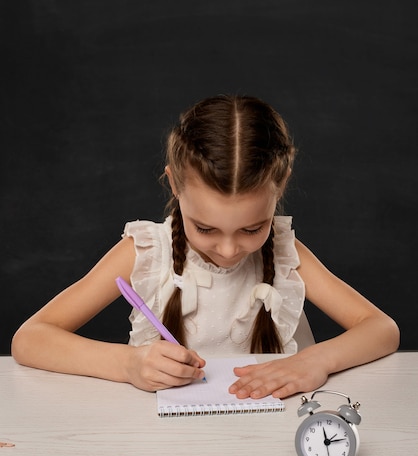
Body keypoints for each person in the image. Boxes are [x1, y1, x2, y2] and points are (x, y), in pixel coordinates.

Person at [11, 95, 400, 399]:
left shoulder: (284, 252)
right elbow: (30, 339)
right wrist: (128, 364)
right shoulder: (148, 252)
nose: (230, 250)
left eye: (252, 228)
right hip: (169, 443)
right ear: (174, 185)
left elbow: (382, 329)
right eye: (206, 228)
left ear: (279, 189)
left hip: (274, 434)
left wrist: (315, 360)